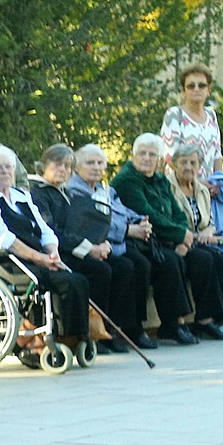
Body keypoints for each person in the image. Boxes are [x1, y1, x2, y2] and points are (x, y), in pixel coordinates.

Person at [0, 144, 91, 343]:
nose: (5, 171)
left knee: (77, 279)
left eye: (9, 167)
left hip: (34, 259)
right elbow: (1, 238)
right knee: (66, 282)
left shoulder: (21, 196)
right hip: (6, 262)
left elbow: (45, 231)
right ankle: (50, 340)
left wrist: (52, 253)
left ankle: (73, 338)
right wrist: (39, 258)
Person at [31, 145, 138, 353]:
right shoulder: (39, 194)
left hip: (79, 248)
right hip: (56, 253)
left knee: (123, 266)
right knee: (100, 270)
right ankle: (91, 332)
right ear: (43, 166)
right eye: (57, 165)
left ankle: (111, 331)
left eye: (68, 166)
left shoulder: (64, 192)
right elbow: (53, 232)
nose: (63, 170)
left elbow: (85, 224)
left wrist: (102, 242)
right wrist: (89, 249)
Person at [113, 132, 202, 346]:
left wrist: (183, 237)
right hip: (137, 241)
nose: (147, 158)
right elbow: (148, 213)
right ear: (133, 156)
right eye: (142, 154)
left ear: (159, 159)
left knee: (183, 259)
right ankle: (161, 325)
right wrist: (181, 235)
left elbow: (176, 211)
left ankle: (175, 324)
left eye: (152, 154)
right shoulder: (127, 180)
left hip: (160, 240)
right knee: (165, 262)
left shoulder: (160, 180)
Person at [68, 144, 158, 350]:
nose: (96, 167)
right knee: (122, 268)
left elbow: (122, 211)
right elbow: (96, 222)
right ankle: (105, 329)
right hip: (89, 246)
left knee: (142, 265)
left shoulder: (105, 189)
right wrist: (127, 230)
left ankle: (133, 328)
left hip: (114, 245)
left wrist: (140, 221)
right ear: (77, 167)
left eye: (100, 163)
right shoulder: (74, 191)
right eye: (90, 163)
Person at [168, 145, 223, 340]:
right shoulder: (169, 188)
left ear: (199, 167)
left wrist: (208, 231)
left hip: (203, 241)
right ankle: (205, 320)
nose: (188, 167)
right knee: (205, 259)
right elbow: (172, 222)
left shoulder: (201, 189)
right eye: (183, 162)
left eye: (193, 163)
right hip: (179, 243)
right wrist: (197, 237)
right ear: (174, 165)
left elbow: (210, 222)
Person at [161, 63, 222, 175]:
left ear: (208, 89)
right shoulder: (174, 115)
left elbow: (217, 155)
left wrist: (218, 180)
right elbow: (170, 158)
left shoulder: (211, 114)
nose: (196, 89)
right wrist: (197, 184)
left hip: (209, 189)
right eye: (191, 86)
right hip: (181, 187)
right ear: (184, 91)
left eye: (202, 85)